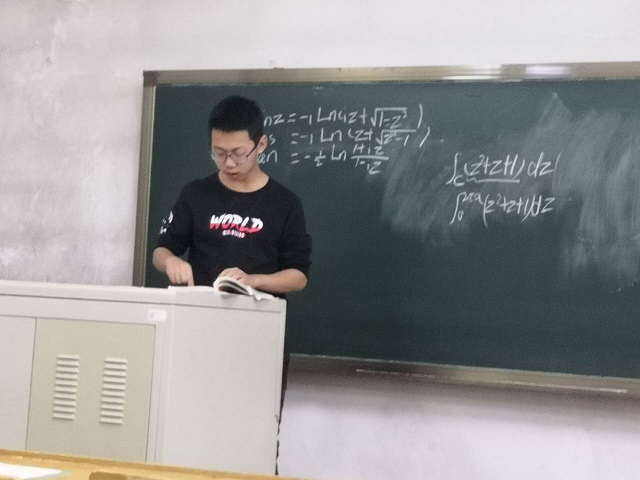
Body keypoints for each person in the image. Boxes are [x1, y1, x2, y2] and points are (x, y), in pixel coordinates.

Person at [152, 95, 311, 474]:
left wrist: (254, 280)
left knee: (255, 438)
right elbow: (161, 250)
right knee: (189, 432)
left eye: (239, 153)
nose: (229, 163)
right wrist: (171, 261)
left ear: (261, 144)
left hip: (259, 339)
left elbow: (298, 275)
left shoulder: (285, 204)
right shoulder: (196, 194)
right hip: (197, 334)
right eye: (219, 153)